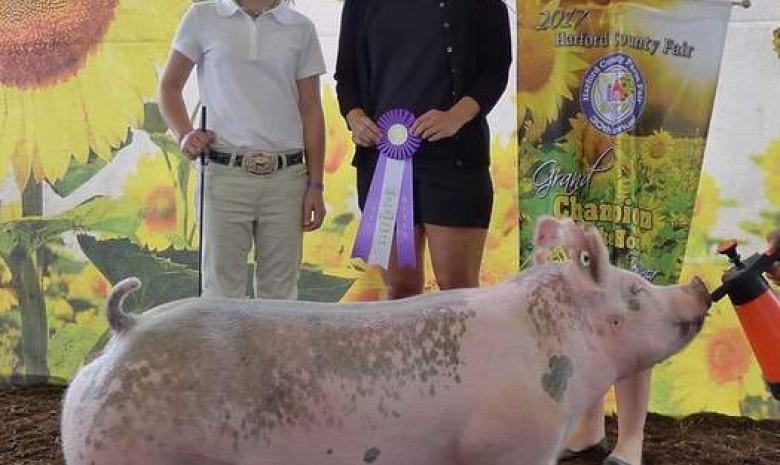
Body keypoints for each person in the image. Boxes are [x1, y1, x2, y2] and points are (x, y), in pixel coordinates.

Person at [334, 0, 512, 299]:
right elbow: (346, 75)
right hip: (383, 162)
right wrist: (355, 118)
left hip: (454, 162)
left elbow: (495, 69)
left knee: (458, 287)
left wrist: (457, 116)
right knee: (399, 289)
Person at [158, 0, 327, 299]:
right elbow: (169, 87)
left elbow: (311, 109)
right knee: (220, 295)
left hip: (286, 181)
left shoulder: (300, 27)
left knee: (281, 295)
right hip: (223, 177)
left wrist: (315, 184)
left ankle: (274, 348)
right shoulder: (202, 16)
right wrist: (185, 134)